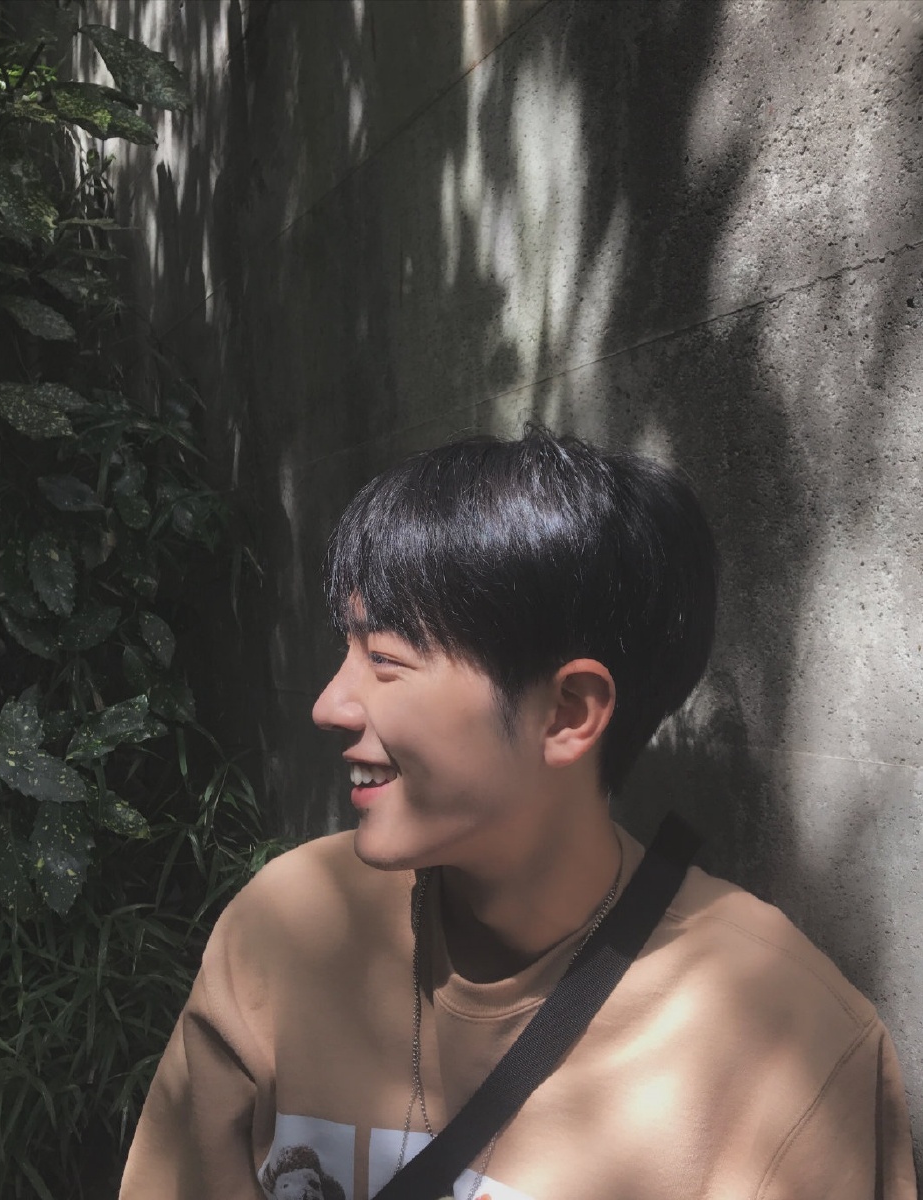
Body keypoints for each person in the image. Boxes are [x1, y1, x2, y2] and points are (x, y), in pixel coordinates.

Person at [120, 427, 917, 1200]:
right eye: (346, 652)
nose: (329, 704)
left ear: (568, 713)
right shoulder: (286, 928)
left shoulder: (789, 1045)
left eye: (386, 660)